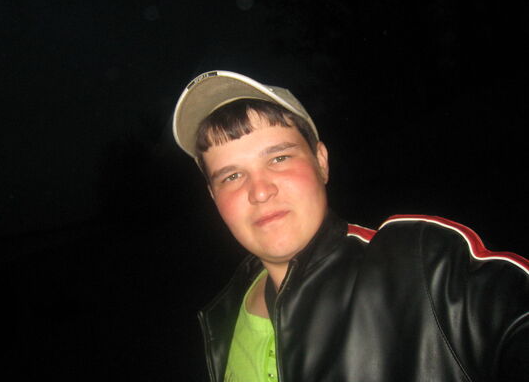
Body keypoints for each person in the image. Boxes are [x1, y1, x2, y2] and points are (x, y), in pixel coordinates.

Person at [172, 70, 529, 382]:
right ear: (213, 196)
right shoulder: (218, 321)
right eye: (232, 176)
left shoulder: (421, 267)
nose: (260, 191)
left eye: (279, 158)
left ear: (321, 162)